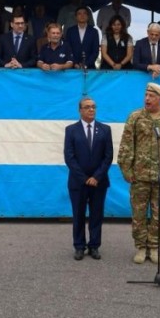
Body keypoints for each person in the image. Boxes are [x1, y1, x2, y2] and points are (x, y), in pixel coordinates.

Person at [117, 82, 160, 264]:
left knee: (159, 215)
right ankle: (140, 246)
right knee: (139, 214)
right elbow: (126, 145)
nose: (147, 99)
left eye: (151, 96)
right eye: (146, 95)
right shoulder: (135, 117)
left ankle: (154, 247)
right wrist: (126, 169)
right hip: (139, 176)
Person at [64, 97, 113, 261]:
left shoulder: (105, 129)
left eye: (93, 107)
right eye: (87, 107)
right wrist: (85, 178)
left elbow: (108, 157)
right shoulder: (71, 130)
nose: (91, 110)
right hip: (78, 182)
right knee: (78, 215)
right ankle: (79, 246)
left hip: (99, 182)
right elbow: (69, 157)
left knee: (96, 215)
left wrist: (96, 177)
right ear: (80, 110)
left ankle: (94, 246)